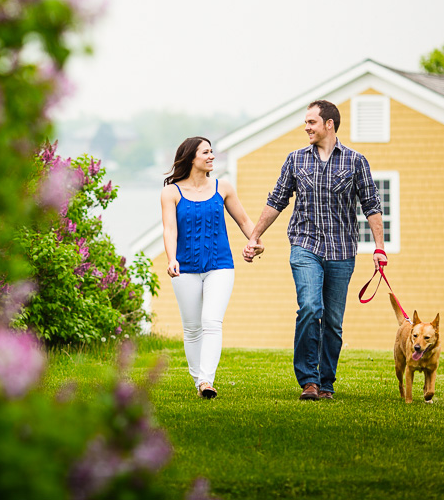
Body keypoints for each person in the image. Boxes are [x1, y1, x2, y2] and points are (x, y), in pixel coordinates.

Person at [242, 100, 385, 401]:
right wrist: (254, 237)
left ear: (329, 124)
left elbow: (371, 205)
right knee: (310, 307)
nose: (306, 127)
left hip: (341, 250)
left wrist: (380, 248)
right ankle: (309, 380)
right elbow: (276, 201)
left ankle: (326, 382)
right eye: (306, 123)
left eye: (311, 122)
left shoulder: (356, 162)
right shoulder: (296, 160)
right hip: (304, 245)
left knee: (333, 321)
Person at [161, 136, 262, 399]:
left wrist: (256, 241)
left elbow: (243, 220)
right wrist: (172, 258)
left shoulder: (223, 187)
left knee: (211, 321)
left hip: (220, 265)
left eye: (212, 152)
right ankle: (200, 382)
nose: (212, 156)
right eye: (206, 152)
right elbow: (170, 230)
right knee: (193, 328)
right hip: (185, 268)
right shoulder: (171, 192)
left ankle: (206, 380)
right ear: (191, 158)